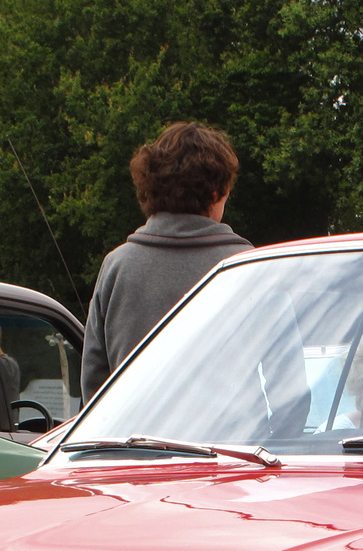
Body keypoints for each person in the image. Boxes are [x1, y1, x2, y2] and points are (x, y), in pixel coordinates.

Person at [81, 122, 252, 393]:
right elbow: (291, 384)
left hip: (130, 434)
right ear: (216, 193)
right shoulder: (251, 268)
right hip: (229, 434)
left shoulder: (118, 267)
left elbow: (93, 385)